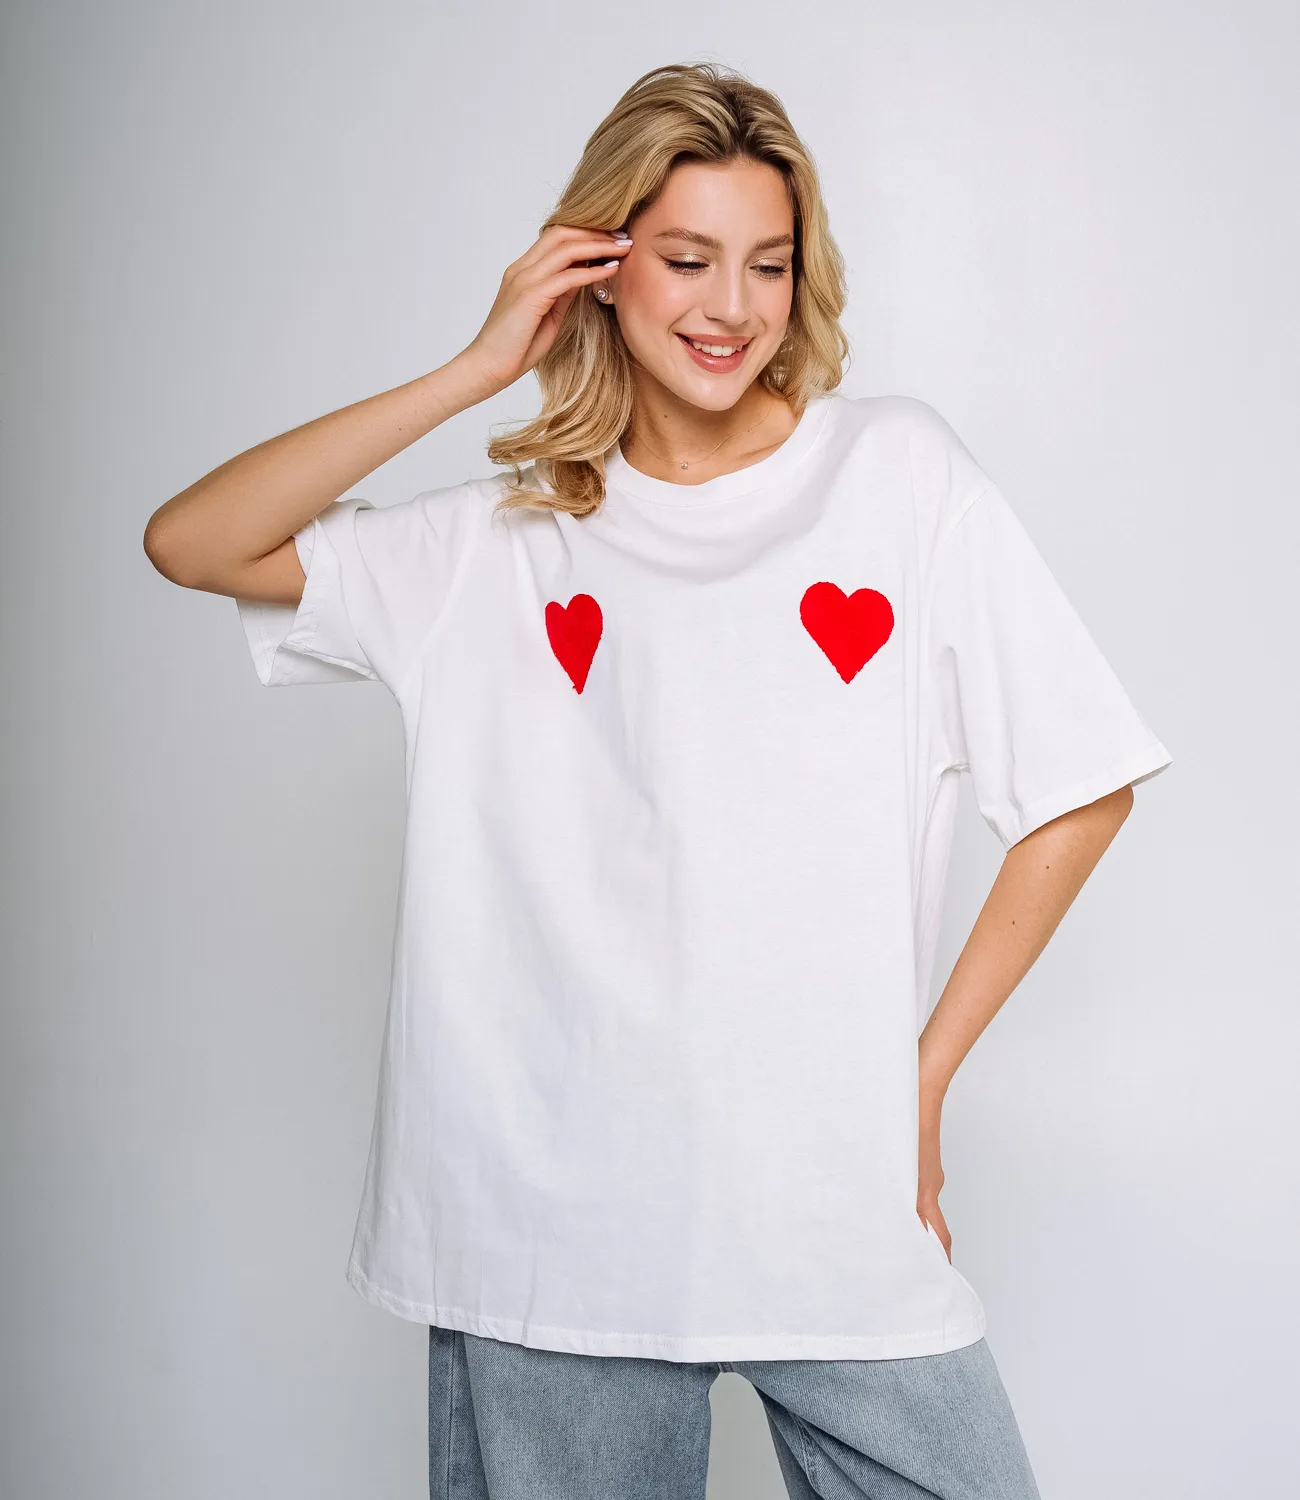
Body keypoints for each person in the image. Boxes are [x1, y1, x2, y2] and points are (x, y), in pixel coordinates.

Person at [144, 60, 1171, 1500]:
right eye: (687, 259)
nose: (731, 306)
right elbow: (193, 543)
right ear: (600, 264)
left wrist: (921, 1082)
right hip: (549, 1220)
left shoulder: (900, 477)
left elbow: (1080, 789)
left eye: (769, 263)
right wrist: (477, 369)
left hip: (822, 1191)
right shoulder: (492, 543)